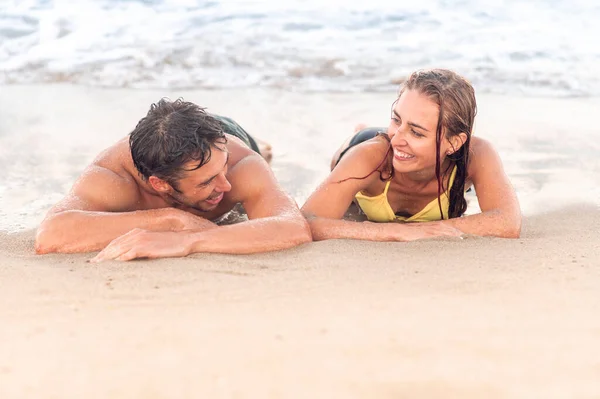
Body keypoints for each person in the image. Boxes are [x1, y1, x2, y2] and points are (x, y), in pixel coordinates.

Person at [35, 98, 311, 260]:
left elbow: (293, 227)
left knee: (260, 152)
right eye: (207, 182)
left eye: (222, 169)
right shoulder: (114, 177)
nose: (226, 186)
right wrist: (168, 220)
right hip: (160, 144)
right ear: (159, 185)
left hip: (225, 132)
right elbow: (51, 234)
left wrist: (188, 240)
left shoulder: (239, 162)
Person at [301, 68, 521, 241]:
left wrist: (429, 229)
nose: (397, 138)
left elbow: (507, 221)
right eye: (395, 118)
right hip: (367, 148)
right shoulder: (369, 158)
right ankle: (362, 130)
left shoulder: (475, 154)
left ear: (454, 142)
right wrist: (397, 232)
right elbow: (306, 222)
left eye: (417, 132)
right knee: (364, 143)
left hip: (440, 161)